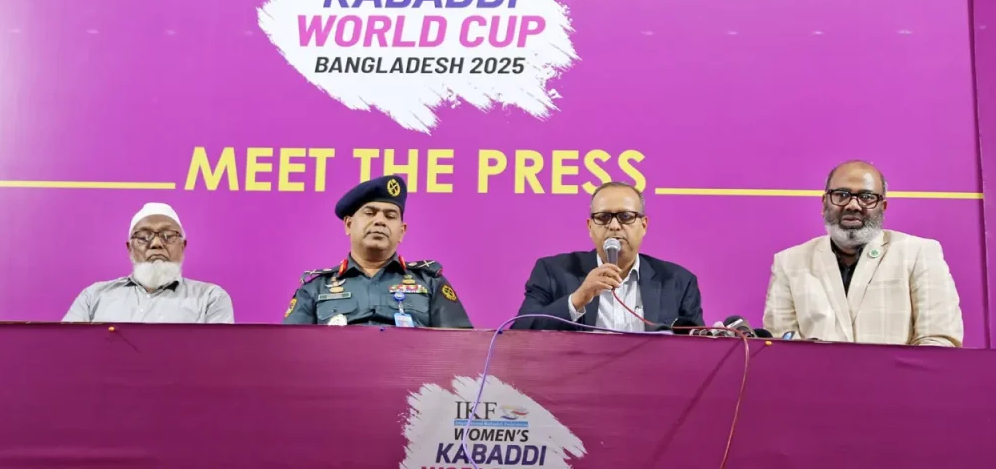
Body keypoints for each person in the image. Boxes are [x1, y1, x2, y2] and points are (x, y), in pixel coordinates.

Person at [763, 160, 964, 346]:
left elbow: (939, 340)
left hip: (897, 374)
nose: (853, 205)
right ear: (824, 203)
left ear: (882, 207)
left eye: (866, 197)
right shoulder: (789, 262)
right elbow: (782, 345)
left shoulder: (919, 253)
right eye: (841, 194)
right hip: (814, 374)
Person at [282, 175, 473, 328]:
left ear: (402, 231)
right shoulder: (315, 288)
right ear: (348, 224)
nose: (380, 221)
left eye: (390, 216)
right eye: (370, 213)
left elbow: (461, 348)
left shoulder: (430, 282)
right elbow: (290, 350)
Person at [511, 181, 704, 331]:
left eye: (626, 216)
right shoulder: (553, 272)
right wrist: (577, 299)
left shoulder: (678, 281)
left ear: (643, 225)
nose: (614, 226)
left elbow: (697, 347)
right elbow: (520, 332)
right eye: (603, 217)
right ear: (590, 227)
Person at [62, 203, 234, 323]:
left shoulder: (210, 298)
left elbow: (217, 358)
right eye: (144, 236)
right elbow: (67, 351)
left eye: (168, 236)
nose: (156, 244)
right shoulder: (94, 296)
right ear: (130, 248)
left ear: (182, 246)